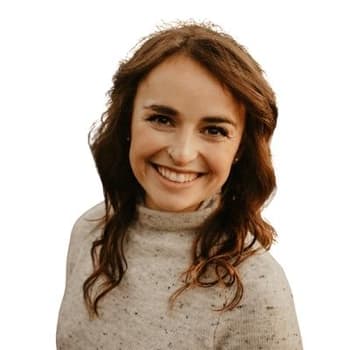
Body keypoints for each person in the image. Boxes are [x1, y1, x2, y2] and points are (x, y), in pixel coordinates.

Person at [56, 21, 303, 349]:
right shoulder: (90, 231)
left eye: (214, 129)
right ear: (127, 120)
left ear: (240, 147)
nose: (182, 154)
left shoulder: (256, 287)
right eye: (161, 119)